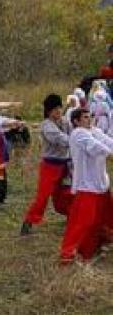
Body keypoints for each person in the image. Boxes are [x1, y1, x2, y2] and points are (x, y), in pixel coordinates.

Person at [60, 108, 113, 264]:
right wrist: (110, 153)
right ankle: (68, 253)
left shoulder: (94, 131)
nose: (89, 119)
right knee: (83, 221)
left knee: (104, 218)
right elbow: (96, 147)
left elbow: (107, 141)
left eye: (90, 116)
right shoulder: (78, 134)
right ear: (76, 121)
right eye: (85, 117)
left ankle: (98, 245)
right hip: (87, 185)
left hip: (100, 183)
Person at [21, 94, 73, 235]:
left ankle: (72, 216)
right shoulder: (46, 126)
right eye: (54, 109)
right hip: (50, 165)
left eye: (59, 108)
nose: (58, 111)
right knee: (43, 196)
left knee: (65, 194)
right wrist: (79, 139)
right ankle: (29, 221)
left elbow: (73, 133)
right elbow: (63, 140)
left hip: (65, 165)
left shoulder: (65, 122)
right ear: (48, 111)